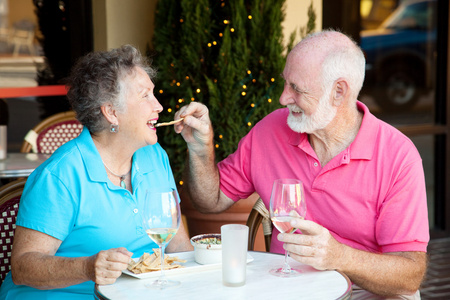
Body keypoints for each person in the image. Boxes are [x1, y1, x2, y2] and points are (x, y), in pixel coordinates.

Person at [173, 30, 429, 299]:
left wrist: (339, 257)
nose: (283, 98)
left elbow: (409, 276)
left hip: (366, 293)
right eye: (286, 84)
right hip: (285, 289)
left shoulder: (398, 156)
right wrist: (200, 149)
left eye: (296, 88)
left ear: (338, 92)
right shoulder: (270, 131)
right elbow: (209, 201)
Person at [0, 45, 192, 299]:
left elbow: (179, 246)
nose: (158, 106)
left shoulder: (155, 158)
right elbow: (23, 268)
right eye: (145, 96)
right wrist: (87, 267)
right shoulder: (61, 175)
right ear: (112, 112)